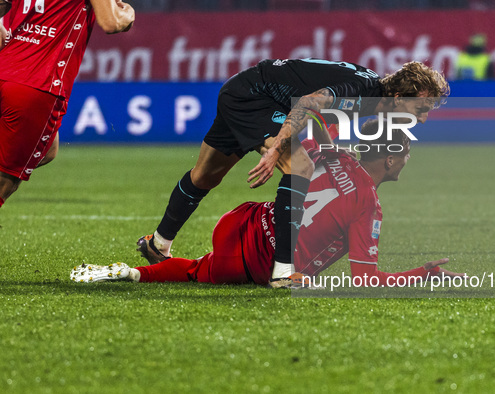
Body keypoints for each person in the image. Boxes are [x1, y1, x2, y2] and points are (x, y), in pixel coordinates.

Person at [136, 59, 450, 289]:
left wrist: (329, 151)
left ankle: (159, 244)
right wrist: (275, 149)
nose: (421, 119)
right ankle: (283, 272)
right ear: (399, 98)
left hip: (240, 90)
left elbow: (319, 119)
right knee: (298, 162)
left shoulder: (368, 93)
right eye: (421, 109)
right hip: (257, 98)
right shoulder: (361, 91)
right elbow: (308, 103)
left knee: (205, 175)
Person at [74, 120, 466, 286]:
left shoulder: (334, 157)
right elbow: (365, 279)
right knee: (199, 272)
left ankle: (132, 272)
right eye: (408, 156)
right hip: (256, 262)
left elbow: (293, 143)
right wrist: (422, 272)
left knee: (199, 269)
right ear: (393, 160)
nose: (409, 163)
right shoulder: (369, 206)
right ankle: (131, 274)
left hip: (239, 222)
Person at [0, 0, 134, 207]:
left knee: (48, 149)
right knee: (6, 181)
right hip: (36, 84)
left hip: (5, 68)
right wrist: (128, 13)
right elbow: (112, 23)